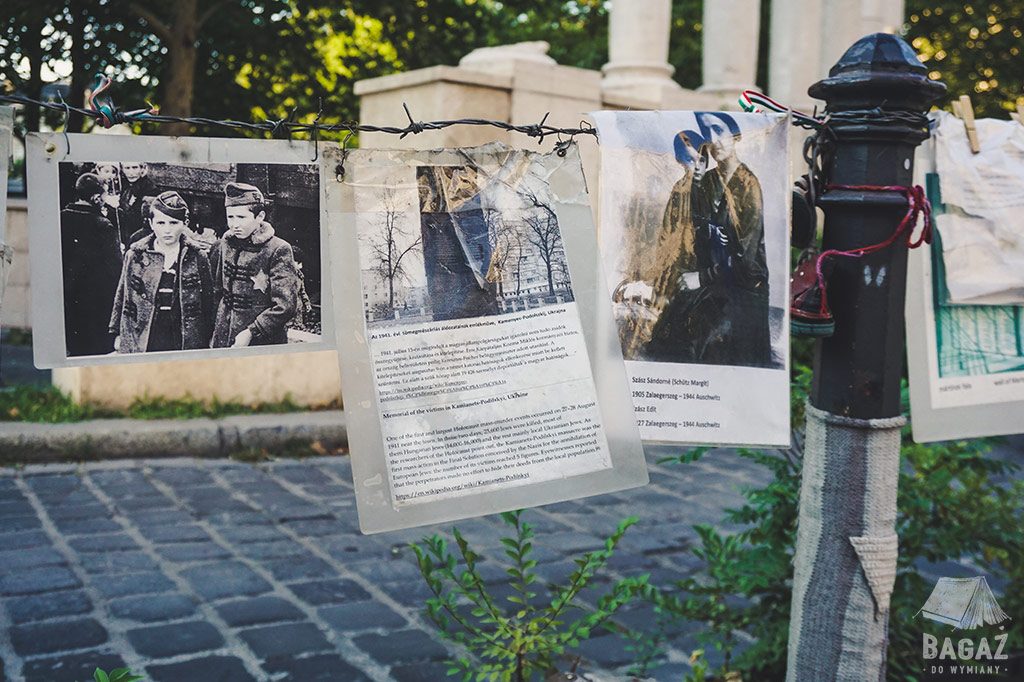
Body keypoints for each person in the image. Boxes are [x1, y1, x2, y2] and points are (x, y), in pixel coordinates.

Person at [647, 112, 772, 367]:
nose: (715, 141)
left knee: (715, 353)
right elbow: (690, 232)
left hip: (743, 286)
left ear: (736, 136)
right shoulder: (709, 181)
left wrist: (701, 277)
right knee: (666, 340)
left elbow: (747, 259)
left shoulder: (749, 185)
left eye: (721, 131)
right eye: (709, 134)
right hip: (712, 280)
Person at [109, 191, 215, 353]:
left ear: (184, 224)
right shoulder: (136, 254)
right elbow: (123, 293)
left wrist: (207, 336)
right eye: (161, 223)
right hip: (146, 332)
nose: (167, 230)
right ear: (151, 223)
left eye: (173, 223)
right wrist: (116, 332)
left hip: (182, 334)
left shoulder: (196, 256)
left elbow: (208, 300)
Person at [210, 182, 299, 347]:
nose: (234, 224)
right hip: (223, 333)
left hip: (261, 339)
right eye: (230, 217)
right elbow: (217, 291)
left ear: (260, 217)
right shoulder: (226, 243)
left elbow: (286, 306)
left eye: (241, 217)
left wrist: (252, 332)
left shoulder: (278, 249)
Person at [60, 172, 124, 357]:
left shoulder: (61, 217)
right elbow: (115, 270)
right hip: (96, 305)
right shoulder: (102, 225)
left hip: (68, 298)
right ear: (96, 198)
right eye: (104, 195)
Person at [118, 162, 158, 248]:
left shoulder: (149, 188)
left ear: (142, 169)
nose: (131, 173)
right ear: (122, 169)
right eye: (127, 168)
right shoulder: (122, 184)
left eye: (135, 167)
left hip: (138, 234)